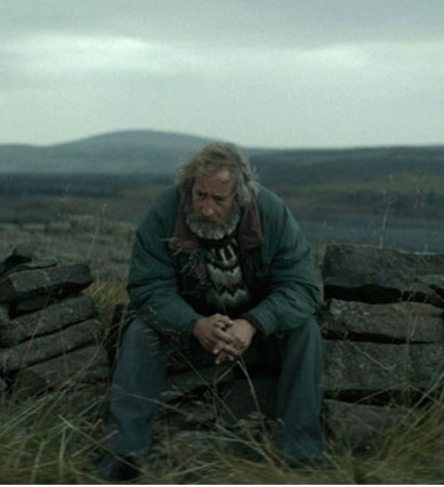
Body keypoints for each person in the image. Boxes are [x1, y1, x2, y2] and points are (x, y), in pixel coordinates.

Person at [93, 142, 324, 481]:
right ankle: (124, 452)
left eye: (219, 199)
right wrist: (195, 324)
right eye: (200, 195)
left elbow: (302, 288)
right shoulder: (166, 212)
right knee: (141, 333)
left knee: (306, 331)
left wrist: (253, 323)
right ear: (189, 187)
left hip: (256, 332)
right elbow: (148, 287)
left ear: (239, 197)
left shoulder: (271, 213)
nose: (207, 208)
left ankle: (300, 455)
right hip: (190, 329)